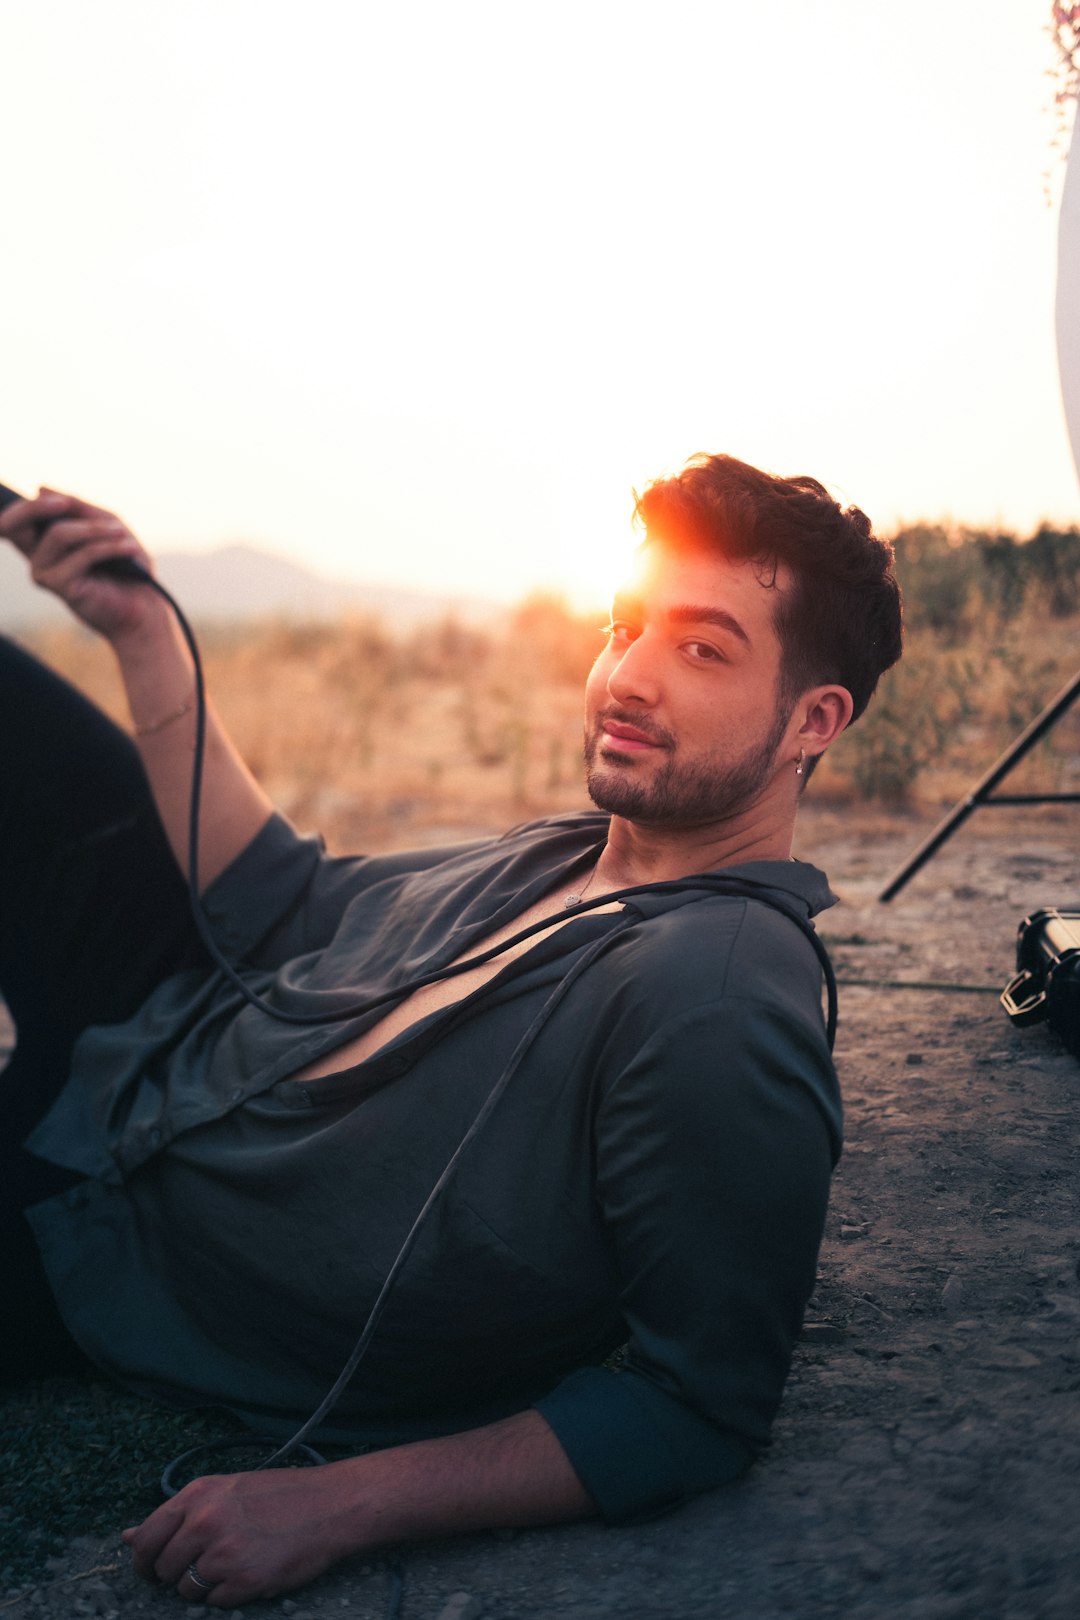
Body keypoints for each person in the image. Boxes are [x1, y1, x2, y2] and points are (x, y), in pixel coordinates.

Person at [0, 454, 902, 1608]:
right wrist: (143, 637)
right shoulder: (572, 852)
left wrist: (337, 1502)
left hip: (111, 1220)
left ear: (813, 720)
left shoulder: (713, 1001)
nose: (627, 678)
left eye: (702, 649)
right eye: (624, 627)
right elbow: (288, 906)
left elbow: (696, 1408)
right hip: (170, 1019)